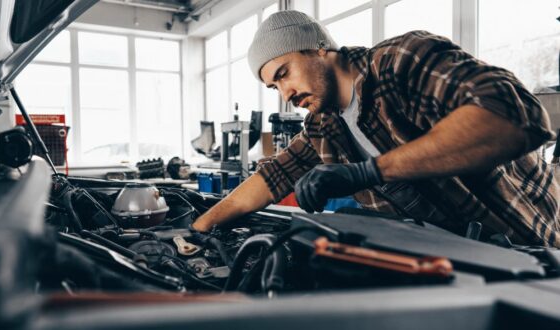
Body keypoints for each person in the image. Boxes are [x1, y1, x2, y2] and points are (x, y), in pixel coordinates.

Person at [192, 10, 559, 247]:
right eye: (274, 87)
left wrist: (369, 172)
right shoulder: (324, 126)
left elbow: (515, 117)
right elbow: (271, 179)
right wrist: (197, 230)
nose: (285, 94)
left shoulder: (399, 64)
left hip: (531, 249)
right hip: (463, 267)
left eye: (283, 74)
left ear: (319, 48)